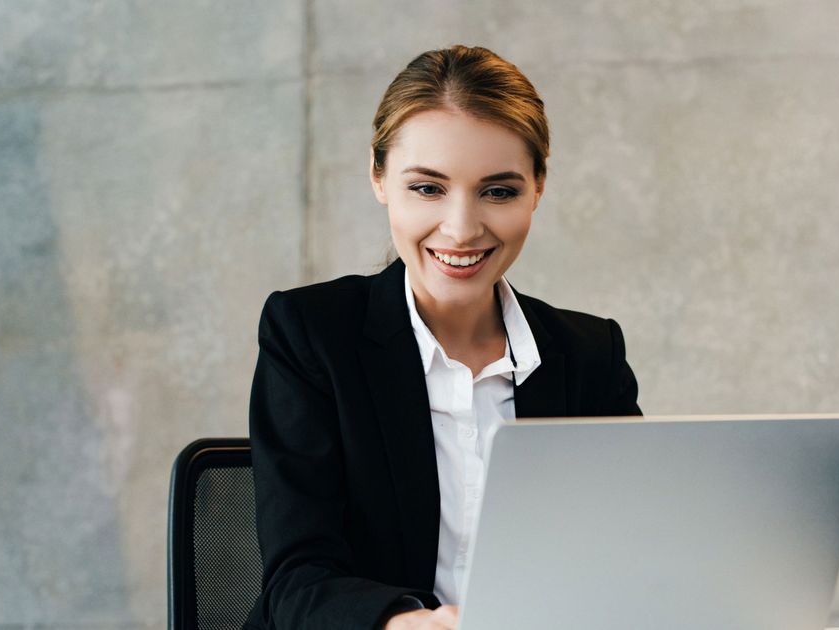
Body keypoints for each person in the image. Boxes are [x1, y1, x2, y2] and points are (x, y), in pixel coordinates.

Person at [244, 45, 641, 630]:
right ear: (378, 178)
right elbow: (297, 582)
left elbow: (630, 552)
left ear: (539, 187)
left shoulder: (590, 355)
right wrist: (407, 623)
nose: (460, 228)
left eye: (498, 191)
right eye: (427, 189)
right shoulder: (311, 335)